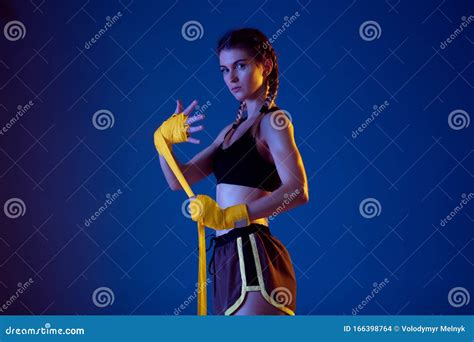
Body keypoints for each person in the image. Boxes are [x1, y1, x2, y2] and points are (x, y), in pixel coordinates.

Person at [154, 28, 309, 315]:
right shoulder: (228, 132)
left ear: (266, 65)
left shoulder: (274, 122)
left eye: (241, 65)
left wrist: (233, 216)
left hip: (252, 253)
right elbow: (179, 180)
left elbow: (298, 190)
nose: (232, 78)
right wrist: (163, 141)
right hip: (225, 255)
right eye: (225, 70)